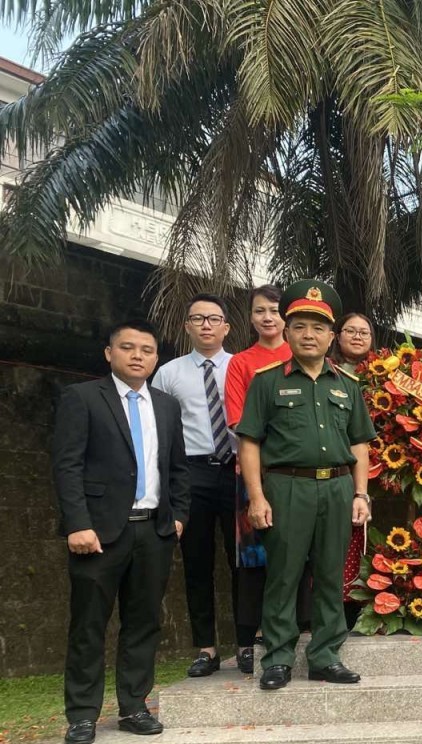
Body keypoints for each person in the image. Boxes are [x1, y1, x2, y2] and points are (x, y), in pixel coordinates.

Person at [53, 320, 190, 743]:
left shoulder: (166, 405)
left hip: (154, 531)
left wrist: (178, 516)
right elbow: (67, 465)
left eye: (146, 350)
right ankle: (81, 716)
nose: (137, 355)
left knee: (143, 623)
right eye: (127, 347)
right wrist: (78, 523)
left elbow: (178, 469)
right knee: (89, 625)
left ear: (155, 358)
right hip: (97, 534)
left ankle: (133, 706)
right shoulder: (82, 398)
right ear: (109, 353)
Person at [237, 280, 374, 691]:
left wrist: (361, 493)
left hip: (336, 488)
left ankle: (325, 657)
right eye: (299, 326)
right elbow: (249, 443)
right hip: (286, 488)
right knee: (284, 574)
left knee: (331, 575)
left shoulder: (347, 386)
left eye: (318, 327)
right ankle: (277, 659)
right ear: (287, 330)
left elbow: (359, 445)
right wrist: (256, 496)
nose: (308, 335)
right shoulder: (267, 381)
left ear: (332, 336)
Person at [152, 294, 250, 678]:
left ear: (226, 326)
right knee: (196, 562)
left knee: (243, 561)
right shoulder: (168, 373)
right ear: (186, 326)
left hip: (238, 469)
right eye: (198, 318)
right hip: (192, 472)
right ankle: (206, 648)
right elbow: (160, 432)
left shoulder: (242, 367)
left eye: (214, 318)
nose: (206, 325)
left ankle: (246, 644)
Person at [224, 284, 292, 674]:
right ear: (250, 317)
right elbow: (237, 420)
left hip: (297, 475)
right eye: (260, 311)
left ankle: (288, 634)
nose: (268, 318)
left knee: (296, 557)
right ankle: (248, 640)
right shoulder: (241, 363)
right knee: (253, 560)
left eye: (275, 311)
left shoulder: (302, 355)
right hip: (254, 473)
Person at [331, 312, 375, 630]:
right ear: (337, 335)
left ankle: (372, 606)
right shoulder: (327, 372)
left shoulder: (388, 375)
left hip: (383, 471)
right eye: (351, 331)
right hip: (341, 471)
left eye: (364, 332)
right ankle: (340, 610)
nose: (357, 337)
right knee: (344, 544)